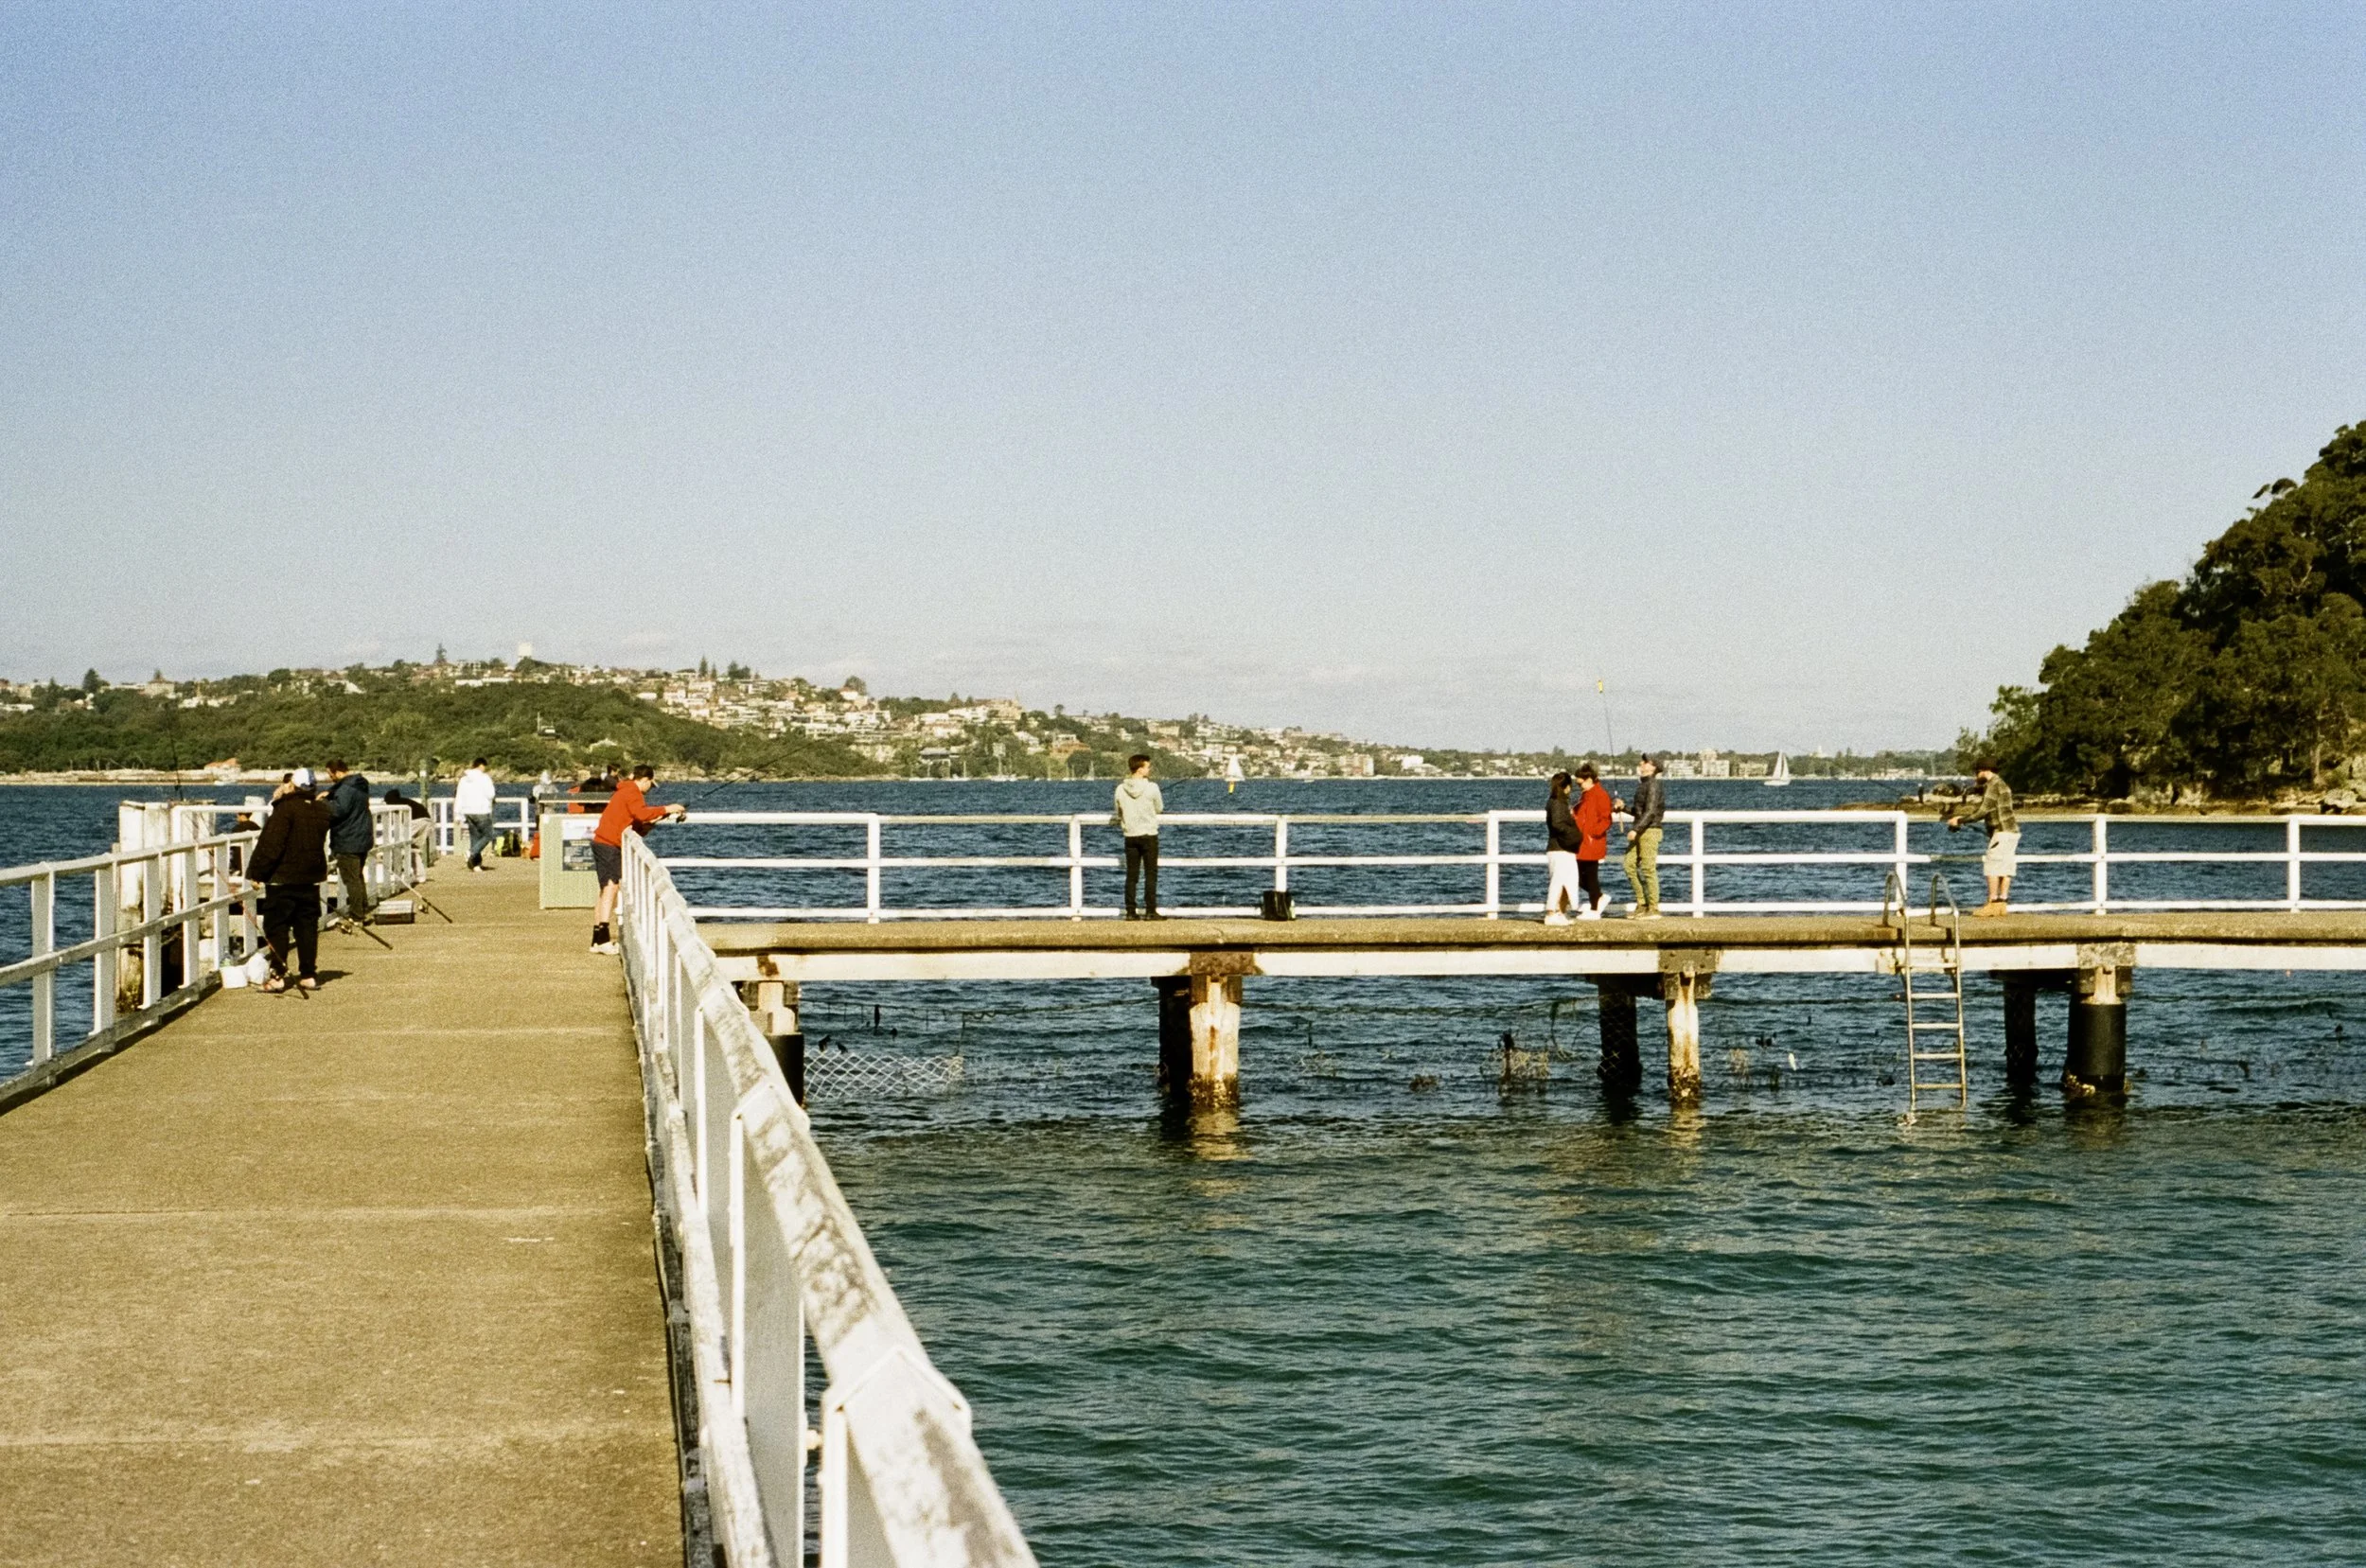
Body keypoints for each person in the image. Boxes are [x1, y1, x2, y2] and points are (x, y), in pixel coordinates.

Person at [244, 768, 333, 993]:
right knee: (307, 927)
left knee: (277, 927)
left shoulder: (285, 809)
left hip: (283, 879)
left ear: (292, 786)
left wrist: (257, 873)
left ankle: (278, 975)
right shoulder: (321, 810)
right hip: (310, 878)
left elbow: (271, 845)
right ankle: (308, 974)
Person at [589, 764, 687, 953]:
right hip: (609, 844)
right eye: (650, 784)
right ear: (645, 780)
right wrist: (668, 808)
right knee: (611, 888)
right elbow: (641, 813)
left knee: (605, 890)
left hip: (603, 841)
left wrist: (656, 820)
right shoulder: (633, 792)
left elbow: (635, 821)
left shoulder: (624, 790)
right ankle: (602, 941)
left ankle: (597, 939)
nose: (649, 789)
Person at [1947, 760, 2020, 916]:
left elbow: (1983, 811)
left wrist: (1959, 820)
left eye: (1976, 772)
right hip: (2011, 831)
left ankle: (1992, 903)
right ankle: (2002, 904)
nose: (1975, 776)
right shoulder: (2001, 784)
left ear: (1984, 770)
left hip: (2001, 832)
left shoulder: (1993, 786)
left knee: (1992, 867)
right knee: (2005, 868)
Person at [321, 758, 374, 925]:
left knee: (351, 879)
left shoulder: (345, 789)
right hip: (362, 836)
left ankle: (357, 915)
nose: (330, 778)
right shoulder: (359, 785)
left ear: (336, 772)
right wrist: (331, 793)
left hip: (348, 838)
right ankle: (362, 907)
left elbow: (338, 810)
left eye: (330, 775)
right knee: (357, 876)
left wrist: (323, 802)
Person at [1114, 753, 1164, 919]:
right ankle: (1150, 911)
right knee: (1150, 874)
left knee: (1132, 875)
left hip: (1130, 835)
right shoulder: (1152, 787)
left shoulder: (1120, 789)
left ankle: (1130, 911)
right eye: (1148, 767)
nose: (1150, 770)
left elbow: (1118, 811)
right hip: (1149, 834)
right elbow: (1159, 808)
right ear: (1140, 769)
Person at [1620, 754, 1667, 919]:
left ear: (1654, 767)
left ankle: (1653, 908)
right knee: (1629, 865)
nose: (1641, 763)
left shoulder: (1653, 785)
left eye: (1646, 762)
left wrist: (1636, 829)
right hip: (1642, 829)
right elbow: (1639, 812)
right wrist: (1623, 808)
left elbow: (1651, 812)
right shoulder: (1644, 785)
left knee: (1647, 869)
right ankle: (1642, 903)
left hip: (1649, 831)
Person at [1572, 762, 1615, 918]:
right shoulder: (1586, 795)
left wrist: (1593, 833)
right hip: (1582, 843)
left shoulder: (1600, 795)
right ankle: (1598, 899)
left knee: (1590, 876)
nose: (1578, 785)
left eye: (1580, 782)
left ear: (1589, 779)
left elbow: (1606, 819)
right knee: (1578, 876)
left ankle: (1595, 908)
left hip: (1592, 842)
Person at [1544, 771, 1585, 925]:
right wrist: (1574, 835)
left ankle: (1560, 912)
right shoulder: (1557, 802)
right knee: (1559, 881)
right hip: (1559, 848)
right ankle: (1551, 913)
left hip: (1562, 849)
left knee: (1567, 880)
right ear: (1566, 787)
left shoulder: (1557, 802)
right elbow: (1557, 824)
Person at [455, 758, 498, 871]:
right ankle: (471, 852)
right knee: (489, 834)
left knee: (475, 837)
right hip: (481, 810)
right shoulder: (484, 778)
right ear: (481, 766)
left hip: (468, 812)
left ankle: (475, 864)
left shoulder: (464, 779)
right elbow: (491, 794)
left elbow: (459, 797)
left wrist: (457, 814)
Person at [384, 786, 432, 876]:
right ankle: (419, 875)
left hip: (416, 822)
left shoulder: (396, 803)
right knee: (414, 848)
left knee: (398, 844)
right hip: (427, 822)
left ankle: (396, 869)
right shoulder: (407, 801)